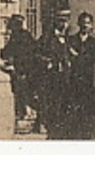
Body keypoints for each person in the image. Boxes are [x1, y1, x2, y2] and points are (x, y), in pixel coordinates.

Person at [35, 10, 72, 138]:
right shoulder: (46, 38)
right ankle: (46, 124)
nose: (64, 24)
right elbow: (36, 54)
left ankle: (60, 127)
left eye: (66, 21)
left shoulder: (68, 39)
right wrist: (48, 62)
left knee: (63, 101)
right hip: (51, 76)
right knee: (50, 101)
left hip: (64, 76)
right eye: (61, 21)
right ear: (56, 22)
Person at [67, 11, 95, 139]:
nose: (85, 26)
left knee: (88, 108)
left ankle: (87, 134)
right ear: (78, 24)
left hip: (88, 80)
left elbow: (92, 59)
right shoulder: (71, 40)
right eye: (83, 23)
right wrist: (77, 57)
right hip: (73, 79)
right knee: (73, 107)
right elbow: (69, 58)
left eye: (87, 23)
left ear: (91, 25)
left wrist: (76, 56)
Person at [0, 15, 38, 130]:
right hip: (25, 69)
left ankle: (24, 119)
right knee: (24, 94)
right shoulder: (24, 35)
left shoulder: (19, 36)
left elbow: (8, 51)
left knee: (22, 95)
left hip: (23, 70)